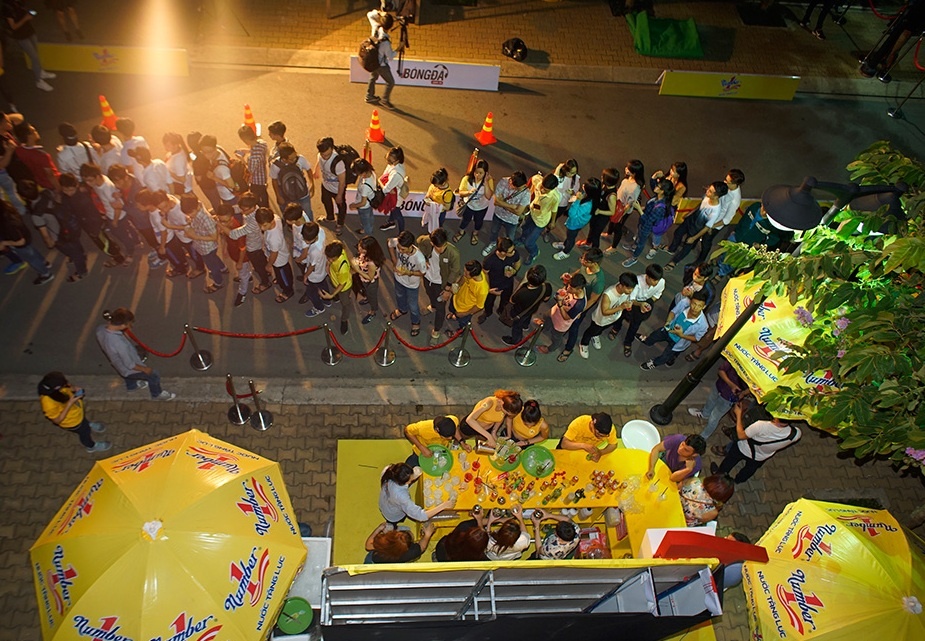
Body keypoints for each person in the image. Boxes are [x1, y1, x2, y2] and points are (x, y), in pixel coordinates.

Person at [95, 308, 176, 400]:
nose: (130, 325)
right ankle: (157, 394)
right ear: (122, 325)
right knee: (154, 375)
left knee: (124, 371)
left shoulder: (100, 329)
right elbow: (130, 365)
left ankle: (132, 386)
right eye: (129, 323)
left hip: (118, 364)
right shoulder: (119, 344)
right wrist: (145, 369)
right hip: (128, 368)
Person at [713, 404, 802, 484]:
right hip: (760, 457)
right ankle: (738, 480)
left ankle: (719, 475)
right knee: (749, 470)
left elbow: (741, 435)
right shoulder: (796, 434)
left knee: (729, 461)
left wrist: (738, 414)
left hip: (743, 448)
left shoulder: (760, 425)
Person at [38, 371, 110, 454]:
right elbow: (57, 420)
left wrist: (74, 388)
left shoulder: (55, 387)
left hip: (77, 414)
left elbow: (67, 387)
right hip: (72, 422)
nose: (67, 384)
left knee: (84, 422)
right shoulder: (48, 403)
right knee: (85, 433)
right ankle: (91, 446)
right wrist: (70, 403)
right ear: (56, 388)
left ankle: (87, 424)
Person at [665, 181, 728, 272]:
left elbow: (707, 227)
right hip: (690, 220)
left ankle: (674, 262)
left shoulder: (715, 211)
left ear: (716, 196)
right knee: (678, 233)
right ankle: (672, 248)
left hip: (696, 229)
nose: (707, 191)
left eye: (710, 191)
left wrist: (694, 238)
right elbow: (700, 205)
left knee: (687, 247)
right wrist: (690, 213)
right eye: (709, 188)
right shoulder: (707, 197)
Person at [639, 289, 709, 370]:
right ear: (690, 302)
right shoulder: (684, 303)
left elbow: (696, 338)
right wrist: (668, 322)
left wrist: (681, 335)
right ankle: (647, 341)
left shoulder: (703, 325)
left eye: (699, 306)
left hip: (678, 342)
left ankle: (654, 363)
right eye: (694, 304)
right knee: (654, 336)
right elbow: (673, 312)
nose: (695, 308)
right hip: (668, 330)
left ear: (704, 307)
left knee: (665, 357)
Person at [609, 263, 665, 358]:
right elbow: (631, 299)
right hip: (632, 302)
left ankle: (628, 342)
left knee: (635, 325)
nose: (656, 282)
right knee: (621, 315)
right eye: (654, 280)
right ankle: (615, 329)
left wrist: (648, 303)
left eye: (658, 280)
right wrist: (640, 304)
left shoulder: (661, 282)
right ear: (647, 276)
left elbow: (657, 295)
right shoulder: (637, 281)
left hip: (644, 303)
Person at [578, 271, 635, 360]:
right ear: (621, 285)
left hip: (612, 318)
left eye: (632, 288)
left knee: (600, 330)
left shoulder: (625, 291)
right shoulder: (608, 295)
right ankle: (583, 344)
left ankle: (595, 336)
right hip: (600, 320)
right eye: (629, 288)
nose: (631, 291)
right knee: (590, 331)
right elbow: (605, 311)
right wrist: (621, 307)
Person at [689, 357, 750, 440]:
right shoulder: (737, 358)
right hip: (719, 386)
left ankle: (703, 436)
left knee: (714, 417)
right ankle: (705, 414)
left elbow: (754, 388)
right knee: (711, 400)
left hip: (729, 397)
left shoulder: (755, 373)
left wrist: (743, 393)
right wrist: (731, 384)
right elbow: (721, 370)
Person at [2, 0, 56, 91]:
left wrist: (29, 14)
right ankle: (38, 81)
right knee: (34, 57)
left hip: (29, 31)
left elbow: (24, 12)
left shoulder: (18, 2)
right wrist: (25, 18)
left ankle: (40, 72)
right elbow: (13, 27)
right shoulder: (7, 8)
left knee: (36, 53)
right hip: (21, 36)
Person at [419, 228, 460, 344]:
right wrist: (424, 259)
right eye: (438, 247)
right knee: (429, 294)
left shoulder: (453, 253)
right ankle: (432, 306)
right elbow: (419, 243)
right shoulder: (426, 241)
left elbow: (455, 271)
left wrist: (447, 289)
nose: (442, 249)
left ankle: (436, 331)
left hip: (441, 284)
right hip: (428, 278)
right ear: (432, 243)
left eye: (444, 245)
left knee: (441, 308)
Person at [378, 462, 453, 525]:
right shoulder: (401, 496)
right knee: (392, 523)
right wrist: (443, 506)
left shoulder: (389, 470)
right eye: (410, 480)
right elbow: (421, 516)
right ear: (402, 483)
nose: (411, 481)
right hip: (392, 514)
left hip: (384, 502)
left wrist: (413, 476)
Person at [622, 178, 674, 266]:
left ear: (662, 191)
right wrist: (654, 177)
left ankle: (634, 257)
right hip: (643, 221)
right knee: (638, 235)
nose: (655, 186)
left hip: (646, 226)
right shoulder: (658, 197)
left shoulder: (660, 208)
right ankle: (634, 246)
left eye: (658, 186)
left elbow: (648, 221)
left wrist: (639, 209)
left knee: (641, 242)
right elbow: (652, 183)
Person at [179, 193, 225, 293]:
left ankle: (218, 283)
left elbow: (214, 237)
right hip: (205, 246)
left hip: (207, 247)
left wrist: (195, 236)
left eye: (190, 213)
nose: (189, 215)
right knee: (214, 258)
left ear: (196, 207)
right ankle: (223, 268)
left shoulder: (206, 219)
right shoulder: (198, 205)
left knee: (212, 266)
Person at [0, 199, 53, 285]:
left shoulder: (7, 225)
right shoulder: (8, 210)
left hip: (20, 245)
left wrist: (4, 243)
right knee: (33, 252)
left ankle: (46, 274)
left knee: (32, 259)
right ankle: (44, 263)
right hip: (26, 236)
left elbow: (20, 242)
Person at [536, 272, 586, 362]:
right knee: (546, 317)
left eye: (571, 288)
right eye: (569, 285)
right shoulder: (573, 288)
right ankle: (544, 327)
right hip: (554, 312)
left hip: (560, 325)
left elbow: (566, 317)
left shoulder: (579, 304)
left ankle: (550, 349)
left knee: (556, 338)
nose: (568, 288)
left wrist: (560, 304)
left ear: (579, 289)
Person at [501, 264, 552, 347]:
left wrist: (523, 282)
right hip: (532, 309)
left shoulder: (523, 292)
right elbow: (546, 299)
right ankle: (525, 325)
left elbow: (512, 300)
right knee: (527, 317)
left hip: (519, 313)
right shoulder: (546, 287)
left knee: (517, 327)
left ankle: (516, 341)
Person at [387, 230, 426, 336]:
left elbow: (422, 272)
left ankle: (415, 322)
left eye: (403, 249)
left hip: (412, 285)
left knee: (413, 305)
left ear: (411, 246)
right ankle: (402, 309)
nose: (400, 250)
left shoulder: (419, 258)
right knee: (399, 296)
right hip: (398, 278)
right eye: (399, 248)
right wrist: (394, 259)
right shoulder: (397, 242)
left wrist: (409, 272)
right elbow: (389, 243)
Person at [483, 171, 530, 256]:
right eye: (517, 188)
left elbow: (518, 212)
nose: (521, 189)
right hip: (498, 214)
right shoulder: (503, 181)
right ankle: (493, 242)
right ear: (511, 182)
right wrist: (513, 206)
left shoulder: (526, 193)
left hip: (512, 220)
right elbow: (496, 201)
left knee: (510, 237)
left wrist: (502, 204)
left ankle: (508, 251)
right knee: (494, 231)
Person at [518, 172, 559, 266]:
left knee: (529, 243)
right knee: (524, 228)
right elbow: (530, 183)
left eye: (546, 190)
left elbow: (554, 210)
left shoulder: (555, 197)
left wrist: (553, 222)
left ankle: (534, 253)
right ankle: (522, 239)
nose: (542, 190)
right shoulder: (537, 179)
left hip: (541, 220)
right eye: (542, 187)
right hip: (532, 213)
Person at [552, 178, 600, 260]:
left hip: (575, 223)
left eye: (585, 186)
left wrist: (577, 200)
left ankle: (566, 252)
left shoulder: (588, 204)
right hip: (578, 222)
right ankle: (565, 244)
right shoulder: (591, 197)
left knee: (571, 237)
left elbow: (572, 214)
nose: (583, 185)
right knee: (569, 236)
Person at [604, 159, 644, 253]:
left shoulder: (635, 187)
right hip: (617, 204)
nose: (626, 169)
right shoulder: (627, 179)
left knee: (617, 227)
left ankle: (614, 247)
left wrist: (621, 214)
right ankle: (609, 233)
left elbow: (630, 203)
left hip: (622, 210)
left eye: (628, 169)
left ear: (634, 173)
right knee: (612, 221)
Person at [255, 207, 294, 303]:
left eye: (264, 225)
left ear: (271, 221)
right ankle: (280, 280)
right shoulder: (276, 218)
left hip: (279, 261)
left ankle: (288, 291)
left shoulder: (274, 238)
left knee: (284, 275)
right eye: (260, 224)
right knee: (279, 273)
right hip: (278, 257)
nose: (262, 228)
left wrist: (269, 265)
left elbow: (274, 253)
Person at [453, 159, 494, 247]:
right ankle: (461, 232)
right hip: (469, 205)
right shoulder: (466, 179)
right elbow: (461, 193)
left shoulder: (489, 181)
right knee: (465, 220)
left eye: (481, 173)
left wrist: (486, 182)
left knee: (478, 222)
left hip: (482, 207)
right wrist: (469, 192)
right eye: (476, 172)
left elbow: (488, 196)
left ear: (486, 173)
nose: (477, 175)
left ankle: (475, 233)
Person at [479, 238, 520, 325]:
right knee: (489, 302)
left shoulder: (514, 254)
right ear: (503, 253)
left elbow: (517, 261)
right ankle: (487, 312)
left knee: (506, 300)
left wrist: (514, 271)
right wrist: (489, 289)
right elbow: (485, 274)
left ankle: (501, 311)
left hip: (508, 283)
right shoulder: (490, 260)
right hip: (493, 284)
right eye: (510, 251)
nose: (513, 252)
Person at [314, 137, 348, 235]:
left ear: (332, 148)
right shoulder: (320, 155)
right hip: (325, 185)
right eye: (322, 154)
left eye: (327, 155)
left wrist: (339, 195)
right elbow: (319, 160)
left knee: (341, 206)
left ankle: (340, 223)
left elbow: (342, 182)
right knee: (325, 201)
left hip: (337, 189)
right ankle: (330, 217)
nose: (324, 157)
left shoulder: (338, 163)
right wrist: (316, 170)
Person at [271, 141, 314, 217]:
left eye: (295, 156)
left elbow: (308, 170)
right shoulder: (275, 166)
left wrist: (312, 184)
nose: (294, 160)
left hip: (302, 193)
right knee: (290, 216)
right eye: (291, 159)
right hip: (286, 196)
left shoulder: (301, 159)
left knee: (307, 214)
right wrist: (278, 196)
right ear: (284, 159)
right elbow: (274, 181)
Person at [12, 122, 59, 190]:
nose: (36, 132)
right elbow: (50, 175)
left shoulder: (19, 151)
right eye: (34, 131)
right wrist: (59, 188)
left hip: (41, 183)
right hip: (53, 184)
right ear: (29, 136)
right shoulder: (42, 155)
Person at [366, 13, 399, 109]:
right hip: (381, 65)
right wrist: (399, 48)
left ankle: (369, 96)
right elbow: (390, 56)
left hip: (372, 60)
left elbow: (369, 15)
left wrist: (379, 13)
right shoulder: (385, 42)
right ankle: (385, 100)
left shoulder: (375, 27)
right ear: (391, 27)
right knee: (390, 82)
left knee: (373, 77)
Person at [446, 259, 489, 332]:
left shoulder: (482, 290)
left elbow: (479, 306)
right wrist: (457, 285)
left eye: (466, 273)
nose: (464, 273)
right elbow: (463, 278)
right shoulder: (474, 273)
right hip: (456, 299)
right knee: (452, 309)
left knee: (463, 323)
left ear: (474, 275)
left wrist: (464, 314)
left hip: (464, 309)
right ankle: (454, 315)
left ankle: (462, 331)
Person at [351, 235, 386, 325]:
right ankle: (367, 298)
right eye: (360, 245)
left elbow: (370, 277)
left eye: (363, 248)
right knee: (366, 292)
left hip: (370, 283)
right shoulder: (365, 255)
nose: (359, 249)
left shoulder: (372, 263)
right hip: (363, 280)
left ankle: (373, 311)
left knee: (372, 297)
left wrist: (357, 269)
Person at [320, 240, 352, 334]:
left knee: (345, 304)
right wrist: (328, 265)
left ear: (337, 256)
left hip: (344, 288)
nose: (329, 260)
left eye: (331, 259)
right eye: (328, 258)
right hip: (335, 280)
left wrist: (332, 295)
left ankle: (344, 320)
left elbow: (342, 284)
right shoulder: (339, 249)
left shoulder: (343, 268)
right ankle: (337, 296)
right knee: (336, 289)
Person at [300, 220, 330, 318]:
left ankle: (319, 308)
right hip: (323, 268)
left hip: (315, 275)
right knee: (323, 284)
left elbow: (312, 266)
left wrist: (305, 276)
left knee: (311, 293)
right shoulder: (321, 232)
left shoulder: (314, 251)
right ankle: (327, 300)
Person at [365, 521, 435, 563]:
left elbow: (368, 546)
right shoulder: (409, 553)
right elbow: (422, 547)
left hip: (374, 562)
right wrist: (427, 535)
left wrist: (379, 528)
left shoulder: (382, 545)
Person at [584, 167, 618, 249]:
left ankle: (594, 250)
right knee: (592, 228)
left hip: (602, 218)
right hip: (596, 213)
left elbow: (612, 212)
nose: (601, 177)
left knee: (596, 234)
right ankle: (588, 242)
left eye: (603, 177)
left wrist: (599, 211)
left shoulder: (612, 196)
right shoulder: (605, 186)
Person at [237, 125, 269, 207]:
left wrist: (242, 159)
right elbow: (258, 151)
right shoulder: (262, 143)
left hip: (256, 182)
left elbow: (249, 171)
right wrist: (248, 151)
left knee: (258, 202)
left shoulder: (253, 157)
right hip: (263, 177)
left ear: (245, 139)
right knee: (264, 197)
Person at [378, 146, 407, 232]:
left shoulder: (396, 174)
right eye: (387, 159)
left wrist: (379, 181)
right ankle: (391, 222)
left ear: (397, 160)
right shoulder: (396, 165)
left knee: (397, 214)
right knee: (393, 210)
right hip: (394, 194)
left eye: (390, 161)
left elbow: (385, 189)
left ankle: (402, 233)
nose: (388, 162)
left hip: (396, 198)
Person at [349, 158, 377, 236]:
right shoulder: (372, 172)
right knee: (370, 217)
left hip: (364, 207)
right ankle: (368, 228)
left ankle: (368, 236)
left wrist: (353, 205)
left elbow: (363, 203)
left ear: (363, 172)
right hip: (370, 202)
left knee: (365, 222)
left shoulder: (365, 186)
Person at [423, 167, 453, 233]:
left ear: (443, 183)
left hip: (439, 213)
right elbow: (429, 192)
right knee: (431, 221)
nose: (434, 186)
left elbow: (447, 207)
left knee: (438, 226)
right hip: (432, 209)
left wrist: (435, 205)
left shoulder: (447, 193)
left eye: (436, 185)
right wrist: (428, 198)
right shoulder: (434, 184)